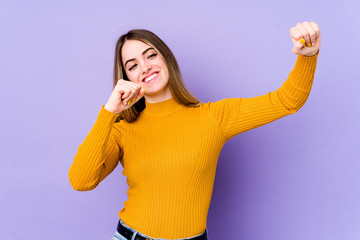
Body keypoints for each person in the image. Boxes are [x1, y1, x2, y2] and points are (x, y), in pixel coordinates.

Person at [68, 21, 321, 240]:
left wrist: (308, 55)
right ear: (126, 77)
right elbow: (81, 181)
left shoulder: (213, 117)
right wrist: (109, 112)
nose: (144, 67)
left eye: (151, 55)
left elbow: (287, 100)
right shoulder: (122, 131)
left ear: (166, 58)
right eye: (132, 65)